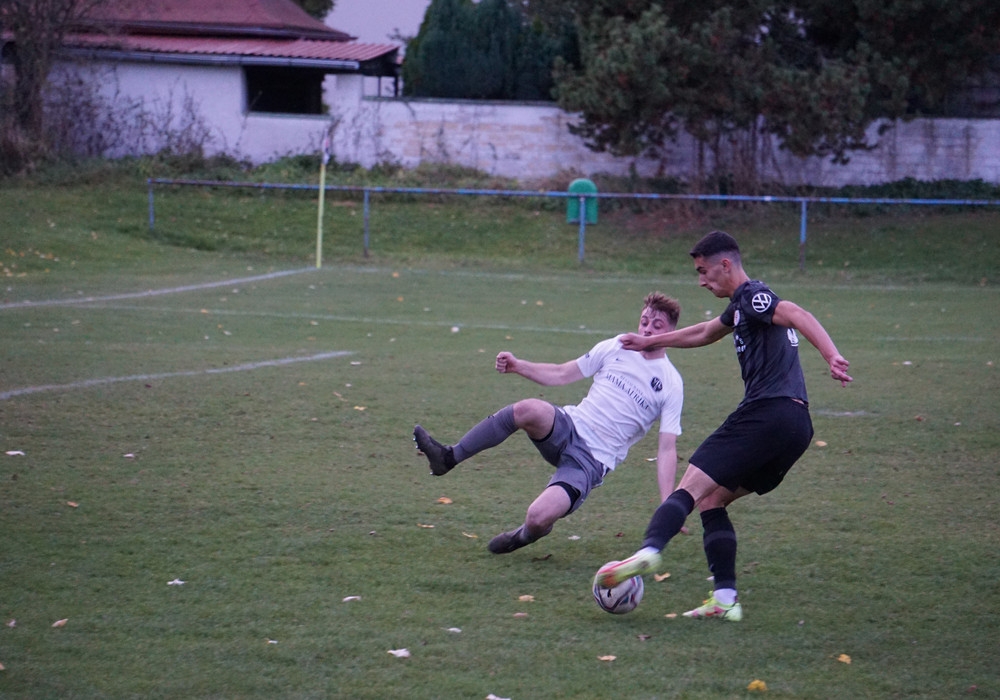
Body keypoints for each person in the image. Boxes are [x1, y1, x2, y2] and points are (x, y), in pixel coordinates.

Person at [595, 231, 852, 621]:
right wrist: (650, 342)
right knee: (712, 499)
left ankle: (648, 551)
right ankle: (726, 600)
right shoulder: (738, 309)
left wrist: (831, 355)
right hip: (796, 428)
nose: (701, 281)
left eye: (704, 271)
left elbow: (796, 313)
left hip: (766, 414)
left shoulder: (753, 296)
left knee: (689, 488)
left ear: (726, 265)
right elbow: (704, 332)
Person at [413, 293, 685, 554]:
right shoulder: (617, 346)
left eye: (657, 325)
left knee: (537, 517)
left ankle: (523, 535)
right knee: (529, 408)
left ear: (671, 332)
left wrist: (667, 503)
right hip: (569, 426)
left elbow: (667, 448)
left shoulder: (670, 382)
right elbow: (562, 373)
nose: (647, 329)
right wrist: (518, 366)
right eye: (644, 322)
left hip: (590, 461)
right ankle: (448, 457)